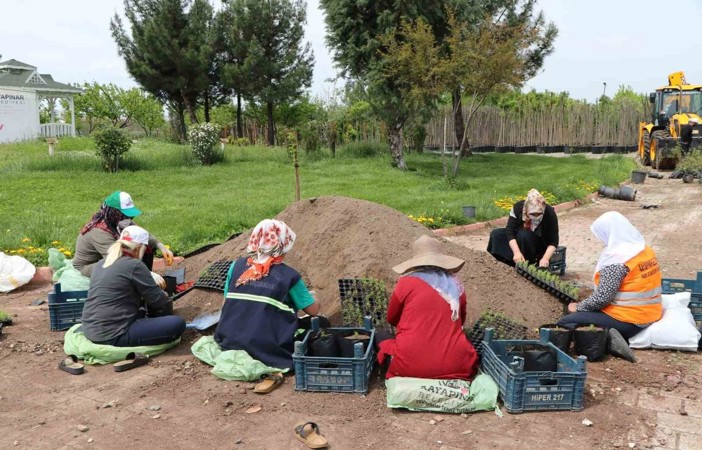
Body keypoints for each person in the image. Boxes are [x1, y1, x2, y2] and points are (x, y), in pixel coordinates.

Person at [213, 219, 326, 373]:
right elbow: (313, 311)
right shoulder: (289, 276)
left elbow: (226, 304)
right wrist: (314, 297)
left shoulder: (236, 266)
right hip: (264, 346)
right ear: (283, 245)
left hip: (228, 340)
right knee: (322, 323)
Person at [557, 211, 663, 362]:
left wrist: (578, 307)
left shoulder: (617, 261)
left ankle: (610, 342)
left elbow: (602, 299)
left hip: (629, 319)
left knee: (565, 322)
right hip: (651, 312)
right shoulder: (643, 250)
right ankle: (611, 335)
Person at [377, 235, 478, 380]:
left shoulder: (406, 283)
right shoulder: (454, 287)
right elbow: (460, 321)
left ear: (415, 262)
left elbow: (392, 318)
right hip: (455, 364)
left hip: (410, 364)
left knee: (381, 337)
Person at [81, 225, 186, 347]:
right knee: (177, 323)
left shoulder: (101, 263)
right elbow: (158, 301)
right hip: (114, 334)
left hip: (90, 329)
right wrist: (164, 293)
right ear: (138, 248)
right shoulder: (134, 265)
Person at [73, 191, 174, 277]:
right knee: (119, 267)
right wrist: (148, 276)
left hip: (106, 259)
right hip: (87, 266)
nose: (128, 219)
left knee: (142, 246)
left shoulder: (117, 221)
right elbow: (117, 260)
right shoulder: (99, 231)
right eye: (124, 215)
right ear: (114, 212)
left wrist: (161, 247)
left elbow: (143, 235)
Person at [487, 188, 559, 267]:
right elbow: (510, 231)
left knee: (524, 235)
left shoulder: (549, 213)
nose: (536, 216)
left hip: (538, 242)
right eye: (533, 214)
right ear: (526, 210)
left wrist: (545, 258)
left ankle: (528, 265)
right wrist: (517, 252)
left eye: (539, 214)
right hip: (519, 239)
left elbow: (554, 241)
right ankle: (506, 263)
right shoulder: (518, 208)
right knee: (496, 234)